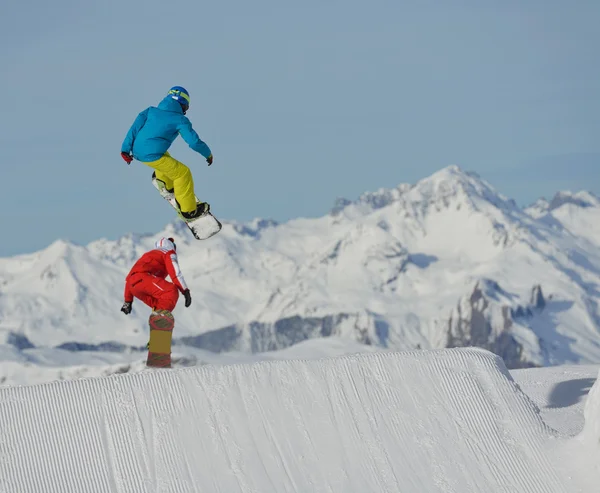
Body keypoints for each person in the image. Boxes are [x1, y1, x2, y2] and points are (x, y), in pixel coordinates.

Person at [120, 86, 214, 220]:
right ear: (183, 104)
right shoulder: (180, 120)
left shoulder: (150, 111)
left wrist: (125, 149)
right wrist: (208, 154)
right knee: (183, 173)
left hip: (136, 150)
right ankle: (189, 212)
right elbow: (193, 142)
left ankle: (165, 183)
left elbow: (133, 129)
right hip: (151, 155)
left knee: (164, 156)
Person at [120, 237, 192, 368]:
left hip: (134, 287)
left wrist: (128, 301)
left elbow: (130, 278)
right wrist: (185, 290)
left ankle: (156, 341)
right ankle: (159, 331)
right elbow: (175, 272)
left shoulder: (149, 256)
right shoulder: (168, 252)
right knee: (170, 291)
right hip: (143, 278)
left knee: (159, 305)